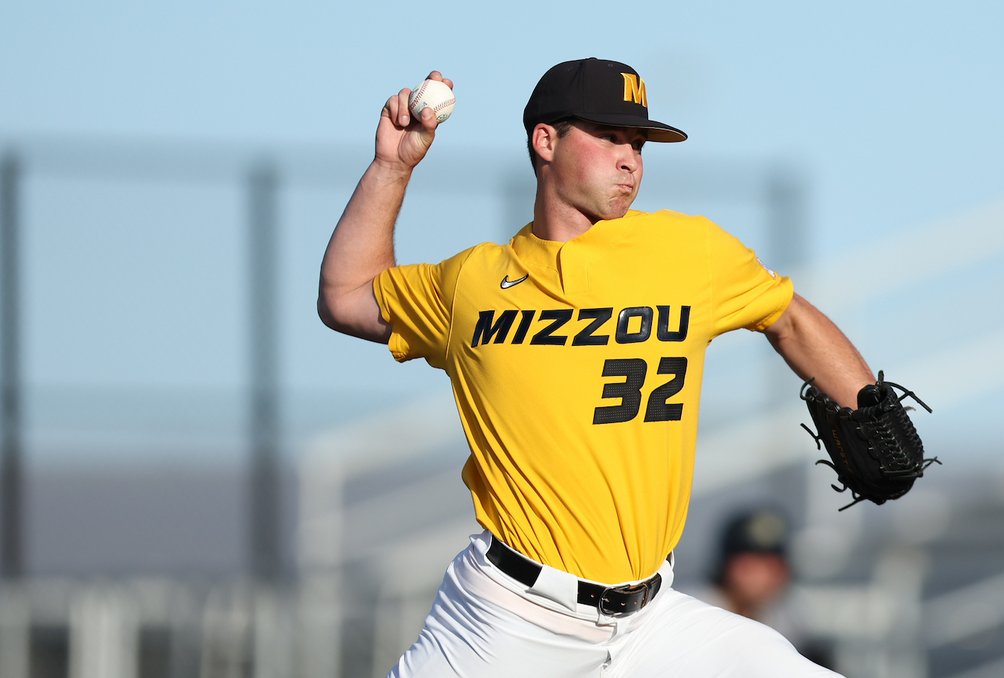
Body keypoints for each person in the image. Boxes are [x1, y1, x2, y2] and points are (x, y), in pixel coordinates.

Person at [318, 57, 873, 677]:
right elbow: (345, 296)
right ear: (545, 140)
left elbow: (787, 314)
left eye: (638, 142)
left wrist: (869, 405)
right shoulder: (472, 283)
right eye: (609, 137)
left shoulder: (687, 253)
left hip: (652, 624)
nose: (630, 157)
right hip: (506, 623)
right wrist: (392, 167)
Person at [697, 507, 838, 672]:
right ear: (725, 567)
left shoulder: (790, 621)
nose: (762, 577)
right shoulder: (695, 611)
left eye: (771, 566)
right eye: (750, 566)